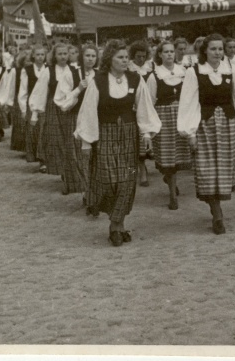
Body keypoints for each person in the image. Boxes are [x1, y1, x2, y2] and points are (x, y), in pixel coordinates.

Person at [75, 39, 161, 246]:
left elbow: (145, 107)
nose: (125, 61)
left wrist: (147, 134)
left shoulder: (135, 79)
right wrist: (86, 142)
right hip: (105, 135)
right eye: (120, 57)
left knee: (126, 182)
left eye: (126, 57)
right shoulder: (98, 81)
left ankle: (116, 225)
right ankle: (115, 220)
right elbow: (88, 111)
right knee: (108, 180)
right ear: (109, 59)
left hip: (129, 137)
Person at [178, 34, 235, 235]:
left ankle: (217, 209)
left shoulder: (231, 69)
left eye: (220, 49)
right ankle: (216, 212)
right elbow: (188, 103)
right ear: (205, 50)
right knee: (206, 170)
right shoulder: (194, 72)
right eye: (213, 49)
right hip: (205, 126)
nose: (217, 53)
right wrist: (190, 133)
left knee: (223, 169)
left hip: (228, 126)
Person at [147, 41, 192, 210]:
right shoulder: (154, 76)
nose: (169, 55)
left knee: (178, 156)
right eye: (165, 52)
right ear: (159, 54)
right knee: (168, 157)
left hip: (181, 116)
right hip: (163, 119)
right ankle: (173, 196)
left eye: (171, 52)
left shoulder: (184, 73)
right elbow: (150, 102)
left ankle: (170, 181)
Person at [54, 43, 99, 200]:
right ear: (81, 57)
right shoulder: (70, 74)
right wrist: (78, 89)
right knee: (76, 155)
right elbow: (61, 101)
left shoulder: (100, 74)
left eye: (93, 56)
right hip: (75, 118)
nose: (90, 59)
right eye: (87, 55)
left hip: (95, 120)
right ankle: (82, 189)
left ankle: (91, 191)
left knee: (94, 155)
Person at [28, 42, 71, 178]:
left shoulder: (74, 70)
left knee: (68, 138)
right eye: (60, 54)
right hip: (53, 108)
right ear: (54, 56)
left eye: (65, 54)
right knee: (54, 137)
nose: (63, 57)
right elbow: (39, 92)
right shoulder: (49, 71)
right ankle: (55, 165)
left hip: (70, 107)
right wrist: (35, 114)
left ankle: (68, 168)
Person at [128, 40, 154, 186]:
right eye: (138, 56)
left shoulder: (151, 67)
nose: (141, 59)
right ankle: (141, 169)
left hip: (149, 106)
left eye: (143, 56)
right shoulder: (129, 68)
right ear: (133, 56)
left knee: (147, 139)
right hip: (133, 107)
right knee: (136, 140)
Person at [18, 45, 47, 170]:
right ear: (33, 56)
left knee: (44, 131)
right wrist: (23, 109)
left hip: (45, 103)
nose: (40, 57)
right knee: (34, 131)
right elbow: (23, 91)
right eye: (38, 54)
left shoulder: (48, 68)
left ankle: (44, 160)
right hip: (32, 103)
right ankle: (37, 157)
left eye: (42, 55)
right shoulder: (27, 70)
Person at [0, 50, 29, 154]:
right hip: (17, 99)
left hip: (31, 99)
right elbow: (11, 87)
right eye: (26, 61)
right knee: (20, 123)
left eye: (30, 60)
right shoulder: (15, 71)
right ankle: (21, 145)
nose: (28, 63)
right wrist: (8, 102)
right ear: (22, 61)